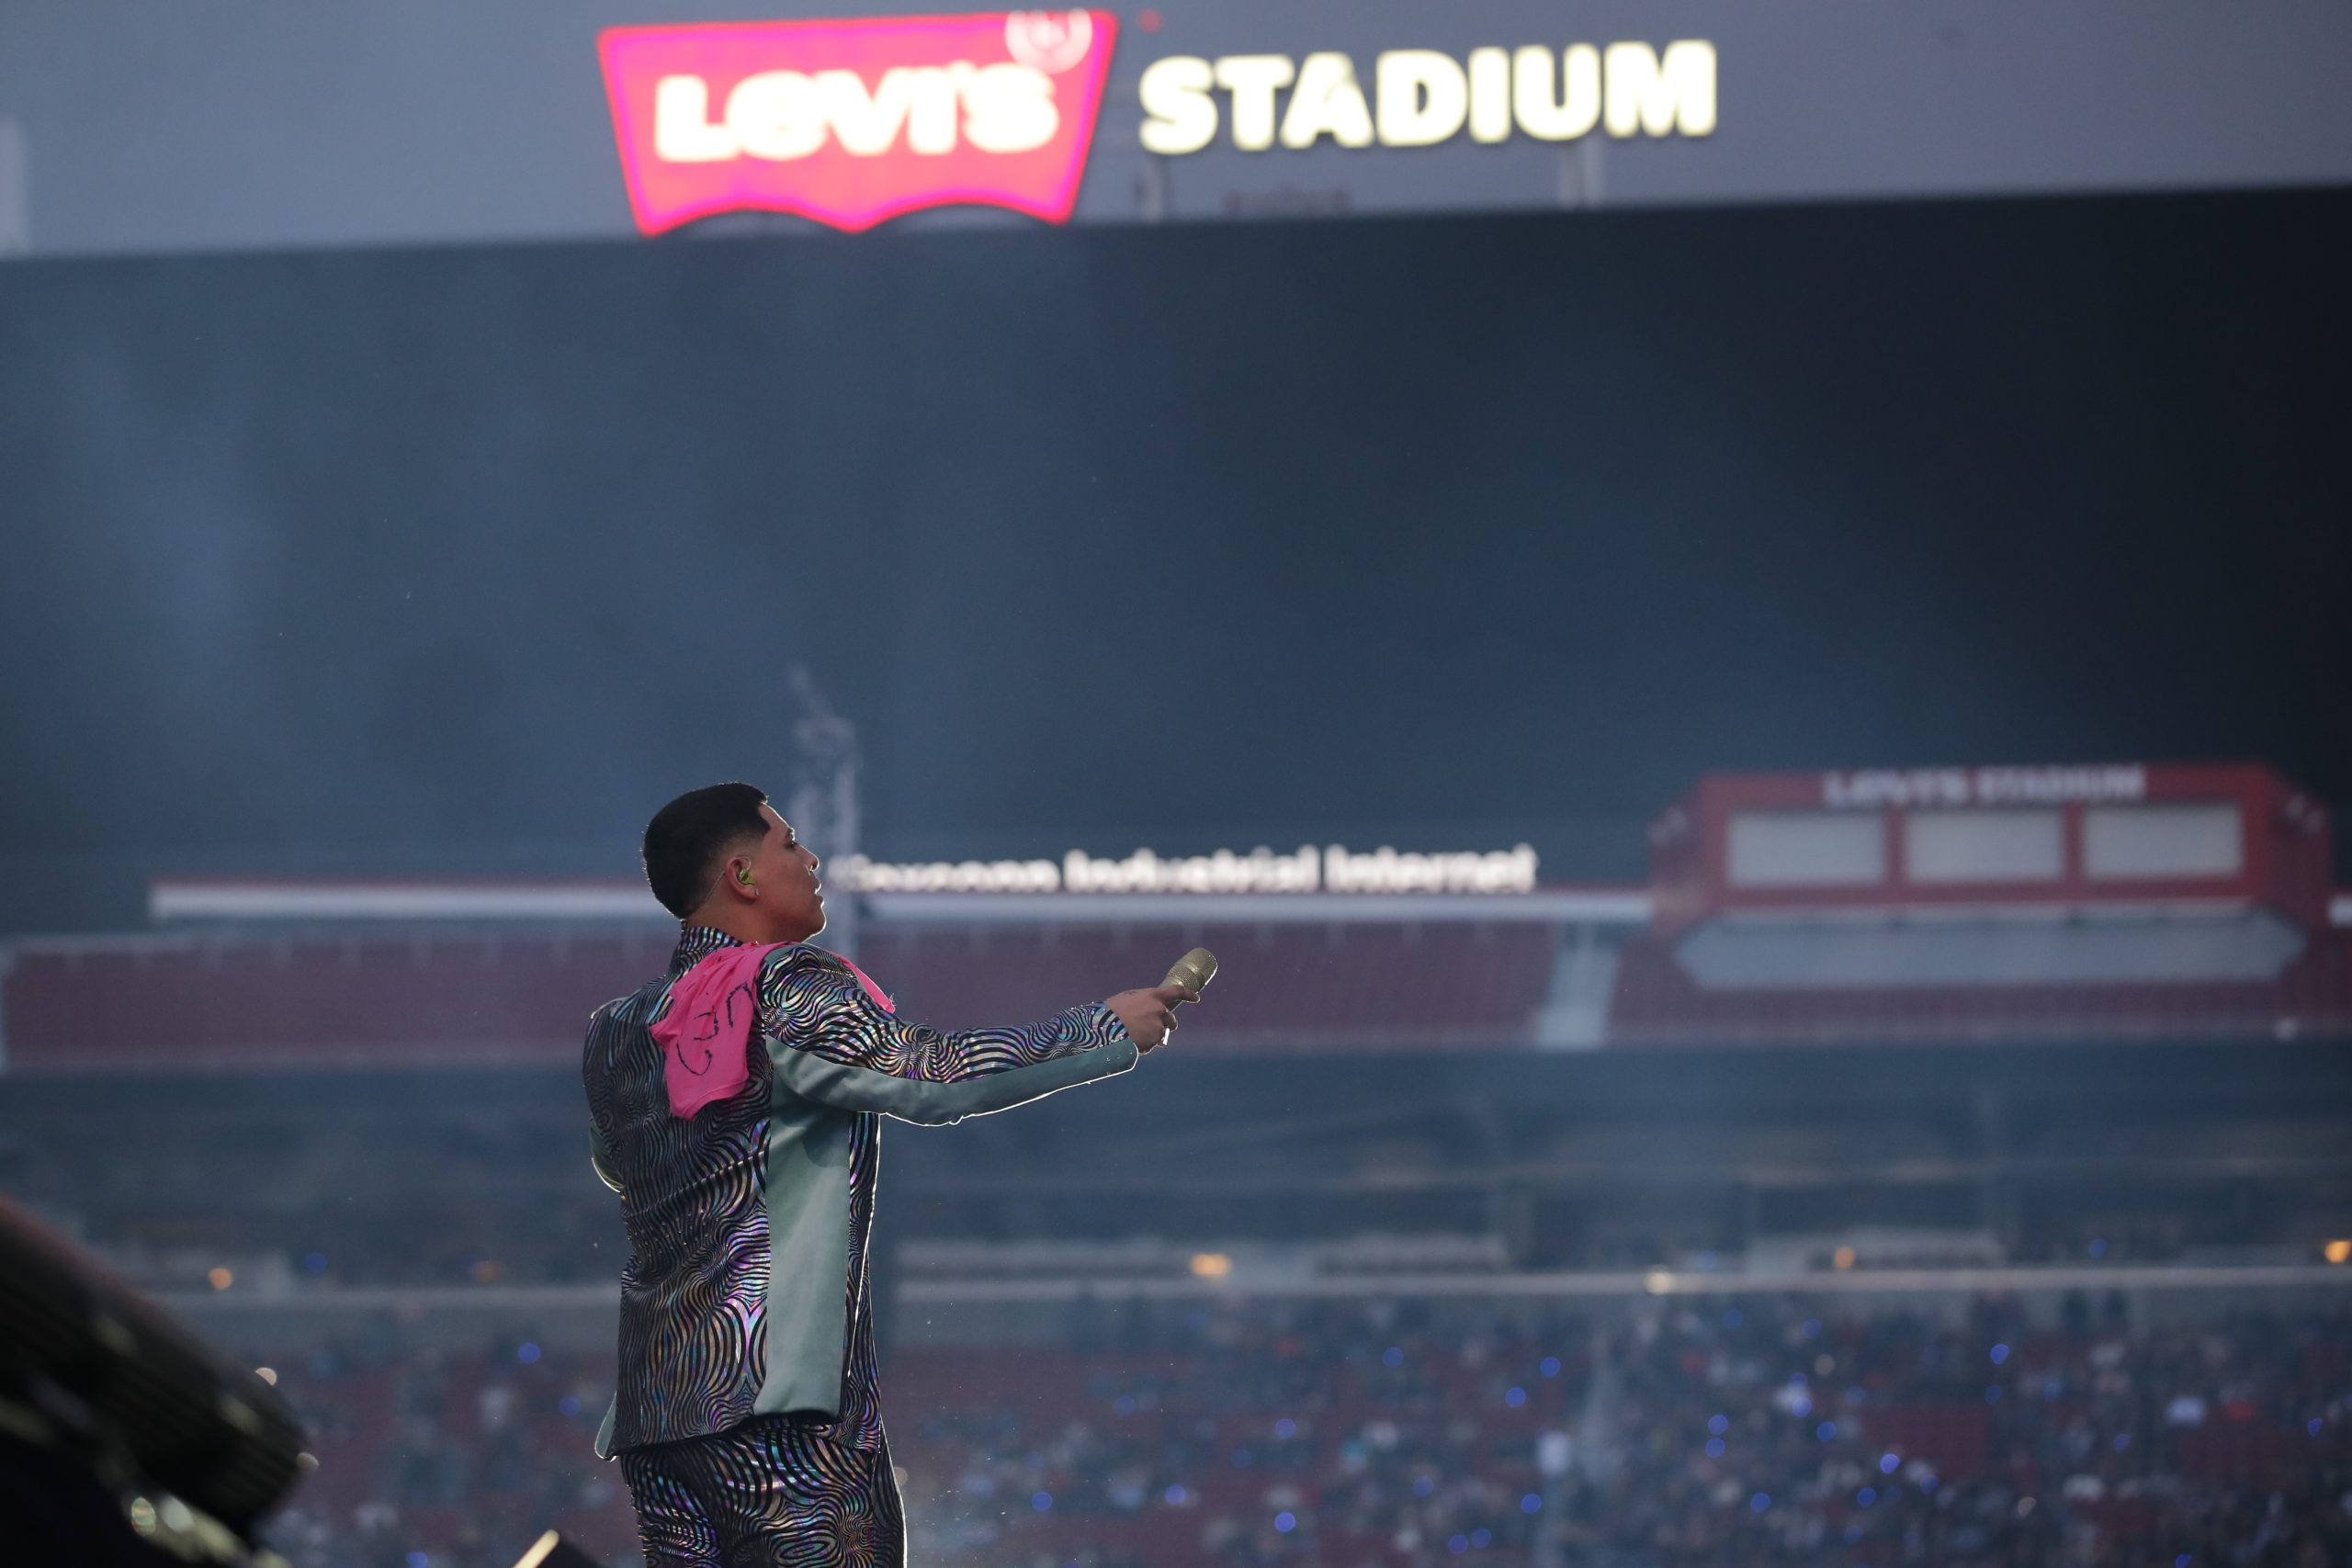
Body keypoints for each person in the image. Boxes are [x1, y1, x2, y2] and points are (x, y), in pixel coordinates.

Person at [582, 782, 1194, 1567]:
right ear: (742, 876)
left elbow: (616, 1166)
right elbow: (929, 1074)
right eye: (791, 845)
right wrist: (1106, 1028)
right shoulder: (786, 983)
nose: (811, 860)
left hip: (658, 1416)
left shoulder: (616, 1030)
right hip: (781, 1413)